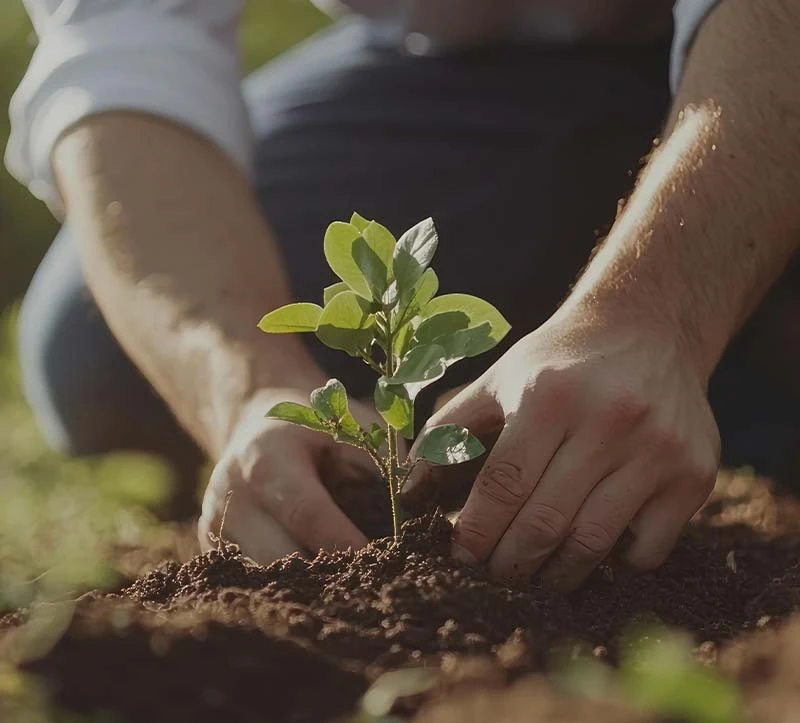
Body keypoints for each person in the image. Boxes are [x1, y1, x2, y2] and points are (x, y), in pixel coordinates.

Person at [7, 0, 800, 590]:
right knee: (103, 349)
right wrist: (256, 389)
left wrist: (653, 314)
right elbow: (121, 46)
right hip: (491, 62)